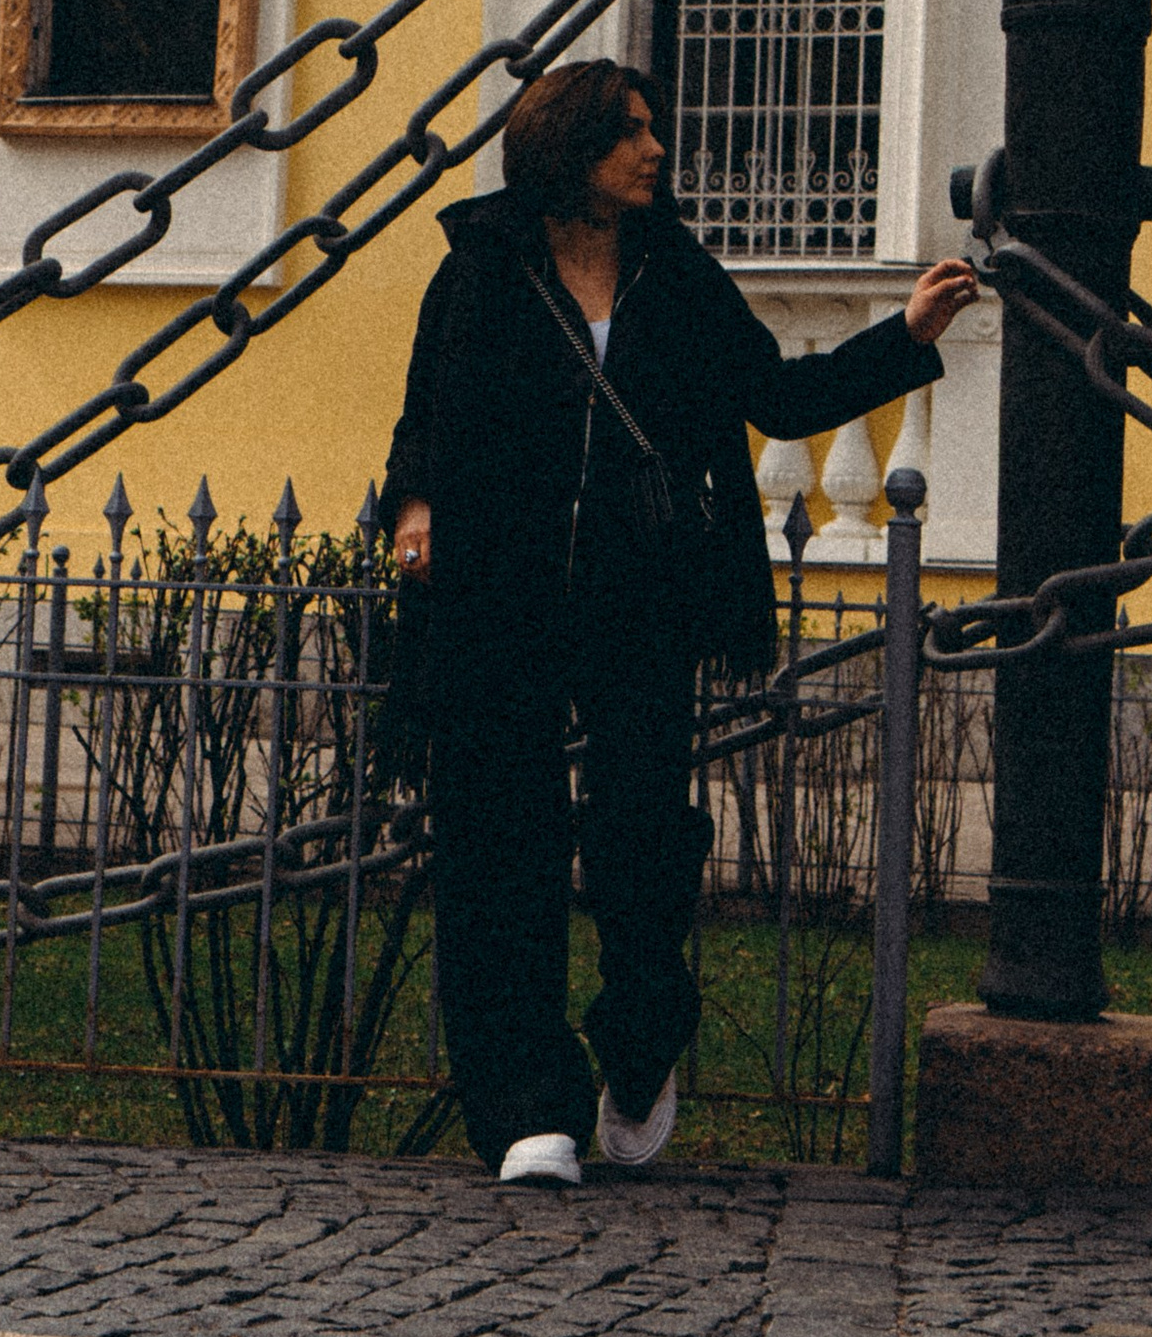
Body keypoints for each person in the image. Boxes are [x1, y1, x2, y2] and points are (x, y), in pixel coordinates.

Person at [379, 59, 975, 1187]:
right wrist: (415, 506)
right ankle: (525, 1107)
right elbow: (430, 408)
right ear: (571, 149)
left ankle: (641, 1043)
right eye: (632, 133)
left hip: (639, 596)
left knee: (644, 845)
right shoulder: (483, 267)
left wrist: (904, 333)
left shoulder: (677, 274)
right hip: (501, 595)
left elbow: (777, 400)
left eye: (655, 129)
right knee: (498, 844)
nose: (657, 150)